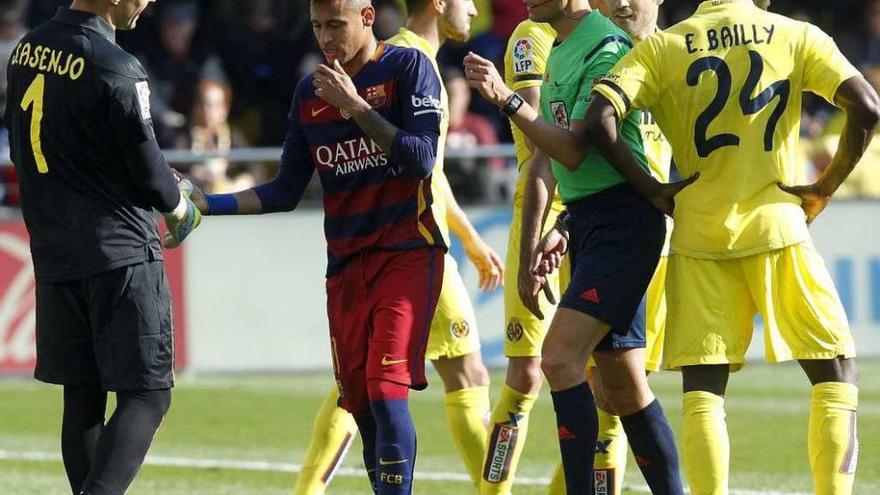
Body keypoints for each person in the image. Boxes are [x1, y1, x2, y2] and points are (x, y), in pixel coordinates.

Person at [586, 0, 880, 493]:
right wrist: (824, 187)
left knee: (703, 392)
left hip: (698, 233)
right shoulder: (796, 35)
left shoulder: (665, 46)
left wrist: (651, 188)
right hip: (778, 229)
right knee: (836, 372)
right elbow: (867, 108)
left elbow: (598, 119)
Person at [191, 0, 447, 493]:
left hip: (406, 253)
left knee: (385, 388)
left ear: (367, 18)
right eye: (317, 26)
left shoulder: (407, 66)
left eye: (336, 24)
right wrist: (209, 204)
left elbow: (420, 157)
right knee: (361, 404)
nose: (326, 37)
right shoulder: (310, 92)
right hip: (346, 267)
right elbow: (285, 190)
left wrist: (356, 107)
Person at [464, 1, 685, 493]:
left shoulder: (606, 48)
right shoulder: (560, 48)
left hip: (622, 225)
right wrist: (550, 235)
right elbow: (547, 157)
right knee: (623, 388)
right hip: (589, 221)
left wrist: (505, 99)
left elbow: (576, 148)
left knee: (557, 359)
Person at [292, 0, 503, 490]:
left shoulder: (411, 56)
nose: (473, 9)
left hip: (405, 242)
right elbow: (424, 168)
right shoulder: (409, 61)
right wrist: (469, 241)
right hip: (414, 242)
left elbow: (431, 167)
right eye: (464, 0)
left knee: (366, 382)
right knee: (465, 374)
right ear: (439, 4)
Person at [5, 1, 202, 494]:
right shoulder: (116, 65)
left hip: (54, 250)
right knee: (148, 394)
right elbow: (149, 167)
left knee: (83, 394)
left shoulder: (26, 49)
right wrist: (179, 206)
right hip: (120, 251)